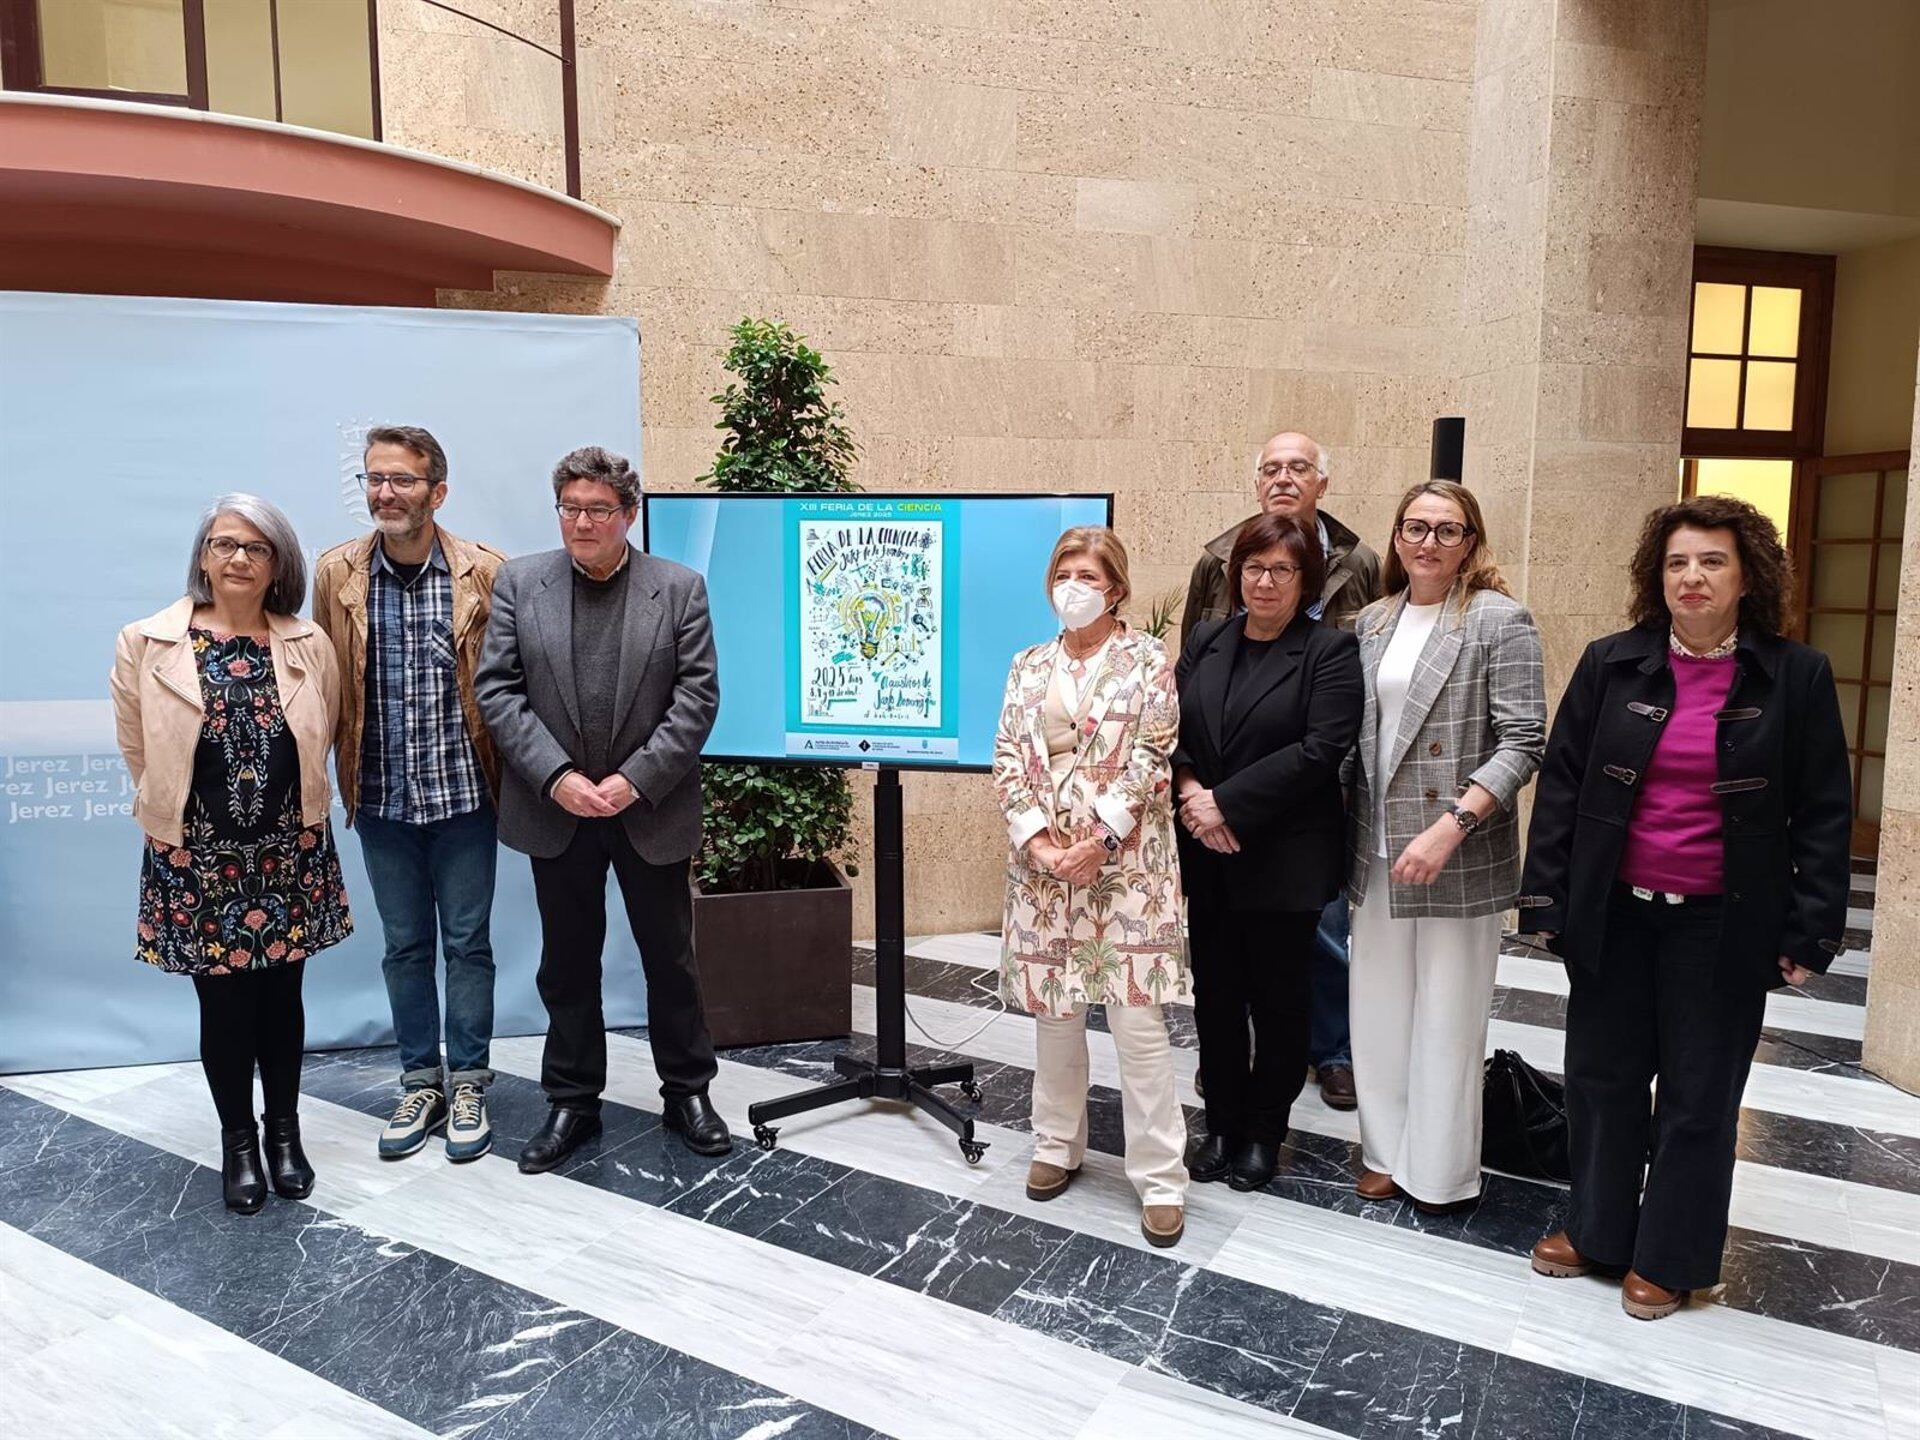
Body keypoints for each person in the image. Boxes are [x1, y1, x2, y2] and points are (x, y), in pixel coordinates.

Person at [1519, 496, 1851, 1320]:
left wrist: (1812, 926)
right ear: (1655, 576)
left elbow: (1823, 810)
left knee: (1699, 1096)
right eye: (1676, 563)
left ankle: (1671, 1257)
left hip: (1723, 922)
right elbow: (1563, 784)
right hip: (1617, 913)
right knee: (1601, 1078)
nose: (1691, 577)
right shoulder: (1611, 663)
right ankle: (1597, 1231)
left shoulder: (1796, 674)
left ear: (1748, 578)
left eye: (1711, 562)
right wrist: (1548, 897)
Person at [475, 445, 728, 1172]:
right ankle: (572, 1101)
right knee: (566, 963)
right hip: (557, 811)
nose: (581, 523)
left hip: (650, 810)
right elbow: (497, 690)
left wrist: (634, 780)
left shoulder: (678, 589)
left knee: (670, 961)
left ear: (629, 514)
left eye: (598, 510)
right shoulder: (520, 583)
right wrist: (556, 776)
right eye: (570, 508)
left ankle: (688, 1092)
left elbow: (697, 699)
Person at [110, 495, 352, 1213]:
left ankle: (285, 1136)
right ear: (203, 556)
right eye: (224, 544)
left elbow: (327, 727)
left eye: (256, 547)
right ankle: (238, 1144)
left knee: (283, 1001)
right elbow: (137, 746)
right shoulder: (147, 642)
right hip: (198, 857)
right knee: (223, 1010)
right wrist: (171, 812)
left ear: (279, 564)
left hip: (290, 849)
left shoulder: (308, 642)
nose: (239, 558)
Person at [1345, 481, 1544, 1213]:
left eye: (1447, 530)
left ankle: (1438, 1172)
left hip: (1456, 846)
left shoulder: (1498, 619)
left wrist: (1452, 825)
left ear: (1470, 543)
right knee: (1377, 1007)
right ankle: (1384, 1151)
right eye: (1415, 527)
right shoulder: (1372, 621)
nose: (1428, 542)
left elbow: (1524, 741)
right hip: (1375, 846)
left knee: (1448, 1013)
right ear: (1396, 537)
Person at [313, 425, 508, 1164]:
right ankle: (420, 1082)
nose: (385, 493)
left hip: (465, 797)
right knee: (404, 947)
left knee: (468, 945)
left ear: (438, 491)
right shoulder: (336, 574)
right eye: (374, 479)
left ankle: (470, 1083)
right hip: (381, 799)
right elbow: (323, 689)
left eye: (401, 480)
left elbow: (508, 686)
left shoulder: (485, 572)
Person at [994, 526, 1190, 1247]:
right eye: (1064, 574)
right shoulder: (1027, 664)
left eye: (1089, 576)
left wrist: (1098, 841)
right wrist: (1041, 844)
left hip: (1127, 871)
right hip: (1045, 876)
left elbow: (1153, 756)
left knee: (1138, 1026)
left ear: (1117, 589)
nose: (1073, 587)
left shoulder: (1148, 660)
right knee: (1055, 1017)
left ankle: (1161, 1179)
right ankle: (1056, 1144)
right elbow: (1007, 756)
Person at [1181, 431, 1379, 1111]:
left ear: (1322, 481)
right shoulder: (1216, 564)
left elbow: (1335, 725)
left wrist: (1229, 801)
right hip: (1210, 810)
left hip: (1305, 803)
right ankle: (1227, 1084)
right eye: (1271, 468)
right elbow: (1182, 697)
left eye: (1298, 468)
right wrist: (1198, 794)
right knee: (1219, 974)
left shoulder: (1361, 565)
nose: (1284, 478)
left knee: (1308, 949)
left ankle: (1331, 1053)